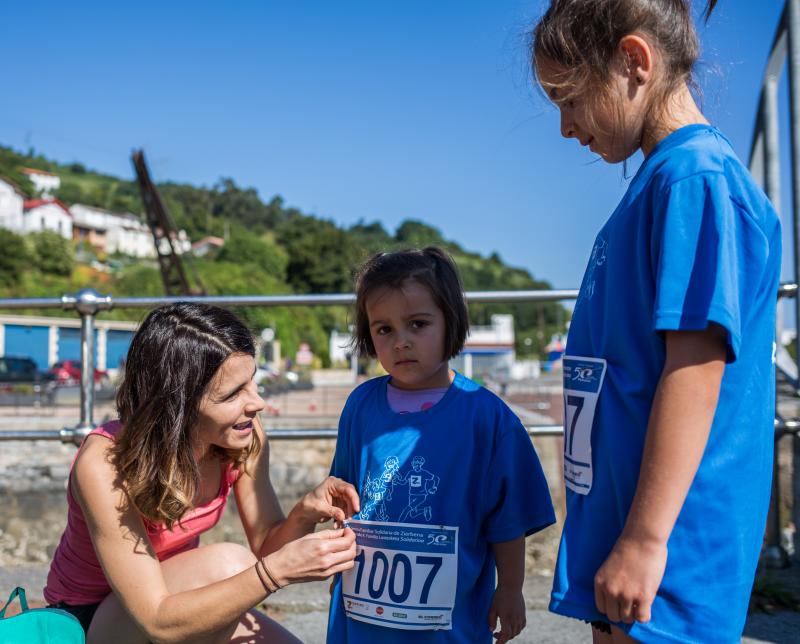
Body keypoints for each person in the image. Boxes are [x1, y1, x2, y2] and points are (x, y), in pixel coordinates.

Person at [531, 1, 782, 642]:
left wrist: (644, 539)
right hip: (627, 530)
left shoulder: (696, 179)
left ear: (633, 62)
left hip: (667, 546)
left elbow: (695, 365)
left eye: (569, 98)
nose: (563, 127)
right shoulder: (661, 180)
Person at [44, 302, 359, 643]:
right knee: (228, 565)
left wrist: (303, 514)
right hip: (88, 623)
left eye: (252, 383)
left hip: (176, 598)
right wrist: (275, 573)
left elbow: (268, 549)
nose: (257, 403)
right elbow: (156, 620)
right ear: (177, 405)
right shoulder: (105, 462)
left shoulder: (242, 434)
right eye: (233, 393)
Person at [326, 247, 556, 643]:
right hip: (363, 613)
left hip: (450, 621)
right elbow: (343, 498)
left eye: (417, 324)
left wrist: (511, 588)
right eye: (384, 329)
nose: (401, 342)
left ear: (452, 323)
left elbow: (508, 518)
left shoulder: (488, 418)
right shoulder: (360, 407)